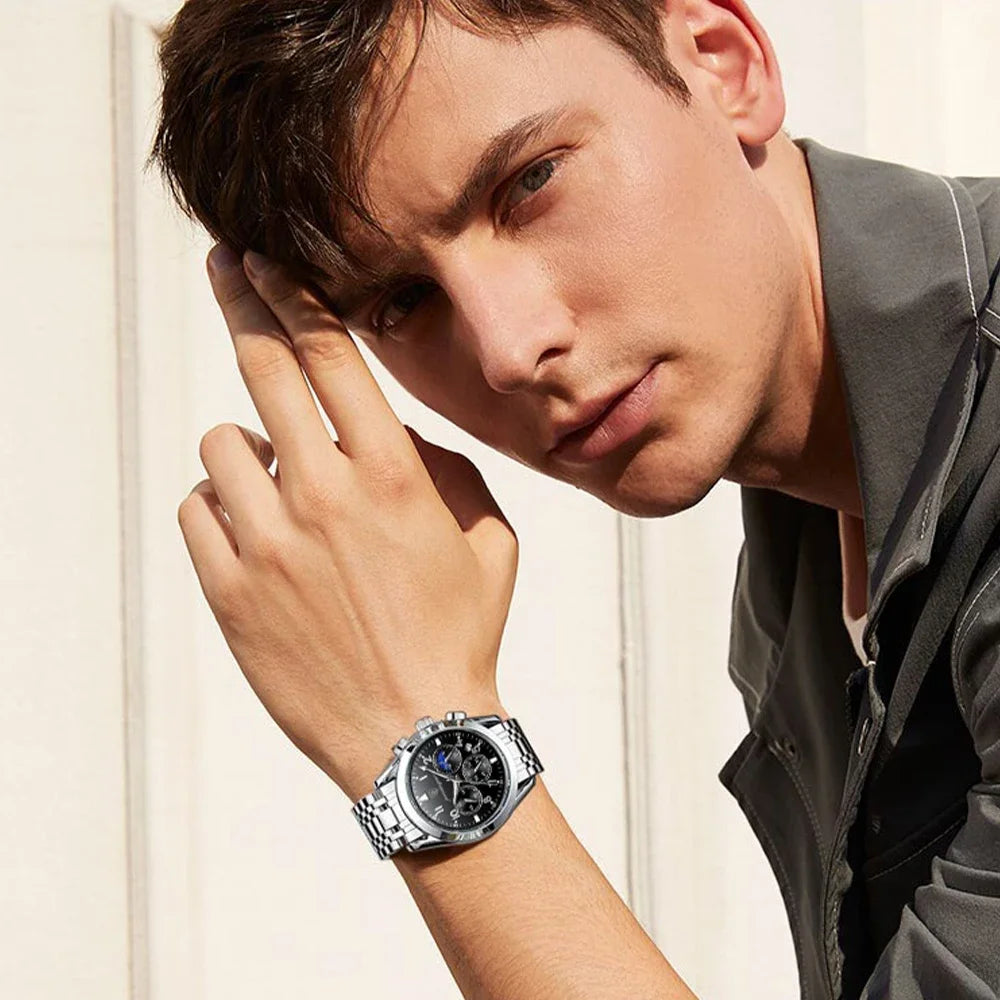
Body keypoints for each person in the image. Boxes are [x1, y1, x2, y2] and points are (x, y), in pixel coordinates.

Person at [149, 1, 1000, 997]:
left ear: (723, 64)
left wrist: (424, 730)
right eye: (404, 300)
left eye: (530, 181)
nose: (508, 350)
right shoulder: (811, 542)